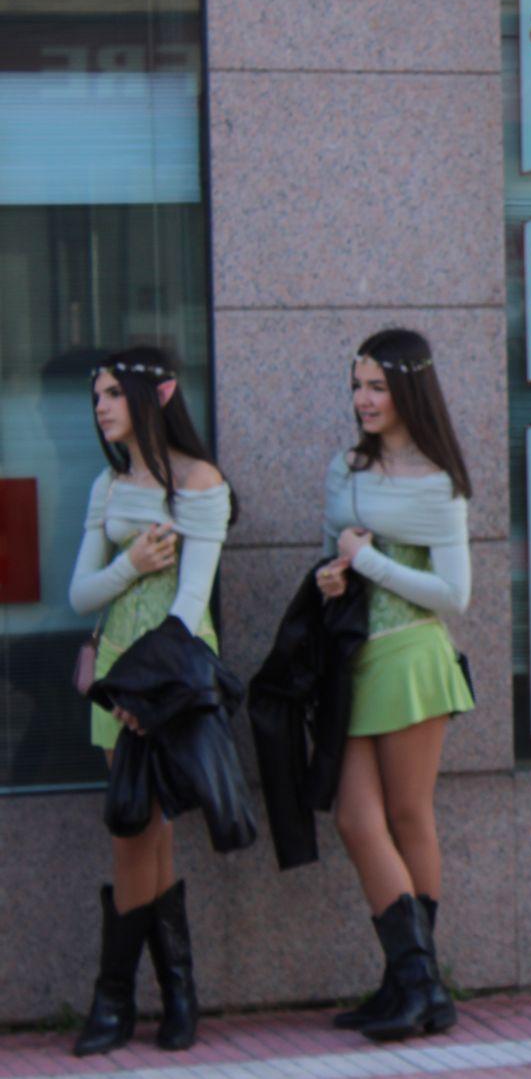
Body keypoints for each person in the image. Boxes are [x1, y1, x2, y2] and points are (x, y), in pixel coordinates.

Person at [68, 348, 235, 1056]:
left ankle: (115, 1000)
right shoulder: (107, 485)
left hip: (169, 682)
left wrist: (150, 695)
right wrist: (129, 565)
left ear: (151, 395)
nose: (102, 405)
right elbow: (80, 593)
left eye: (112, 392)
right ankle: (176, 997)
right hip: (113, 676)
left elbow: (192, 602)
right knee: (142, 829)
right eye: (96, 395)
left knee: (137, 830)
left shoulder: (201, 481)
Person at [315, 329, 473, 1041]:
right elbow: (337, 552)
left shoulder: (441, 481)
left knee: (408, 815)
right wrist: (335, 571)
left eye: (376, 386)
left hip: (414, 659)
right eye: (357, 385)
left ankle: (415, 983)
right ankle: (417, 982)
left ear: (409, 389)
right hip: (354, 661)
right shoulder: (345, 467)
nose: (363, 399)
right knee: (355, 817)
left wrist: (368, 562)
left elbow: (454, 594)